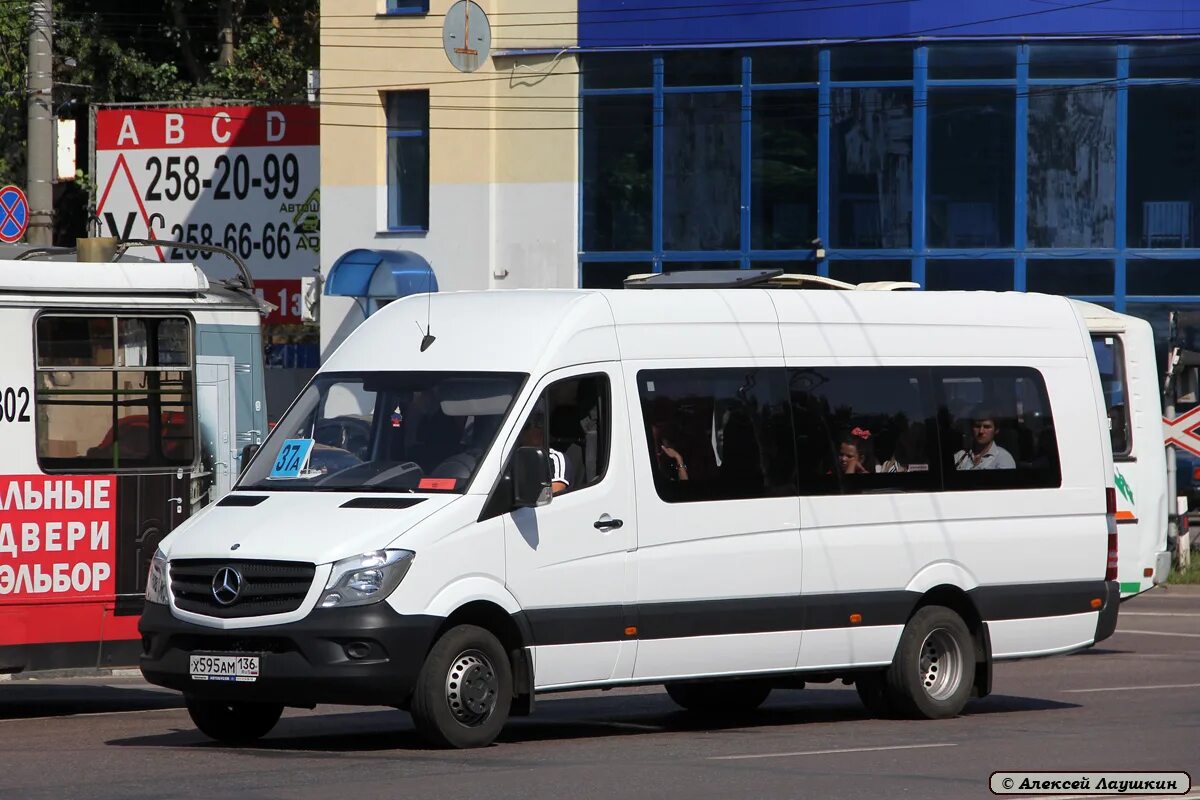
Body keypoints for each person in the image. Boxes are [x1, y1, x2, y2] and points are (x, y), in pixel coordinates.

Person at [519, 408, 570, 494]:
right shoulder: (510, 460)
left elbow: (555, 492)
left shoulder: (555, 459)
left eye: (539, 423)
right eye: (528, 425)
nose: (536, 429)